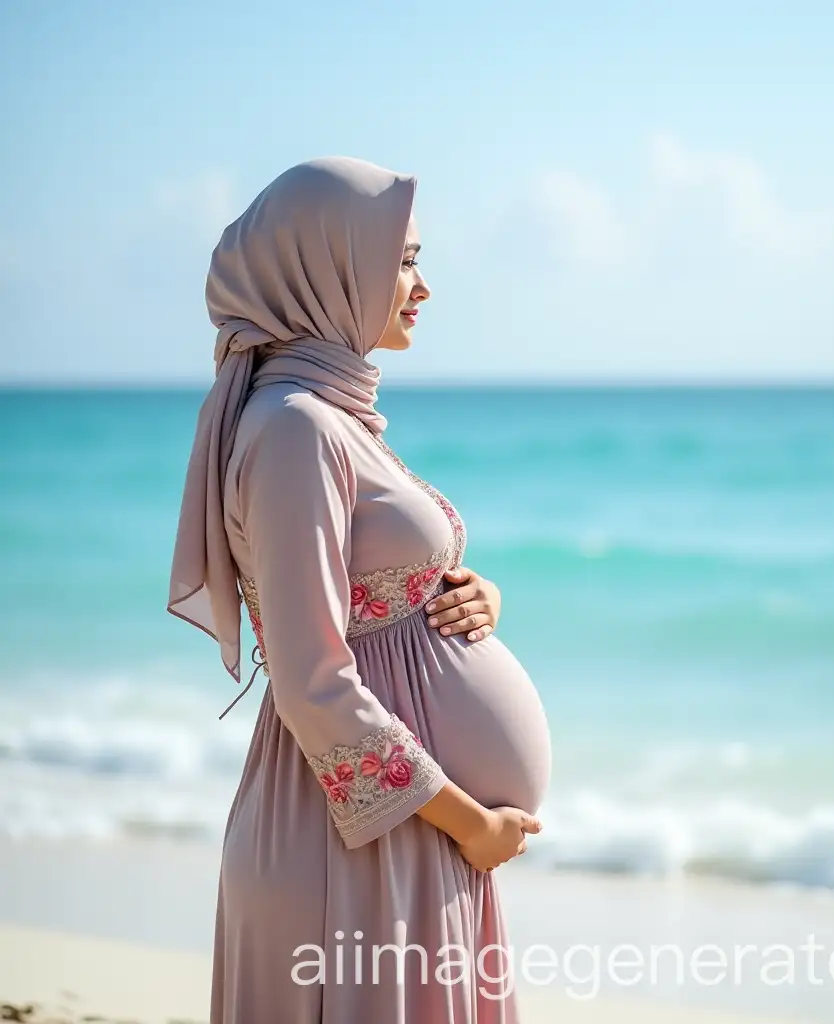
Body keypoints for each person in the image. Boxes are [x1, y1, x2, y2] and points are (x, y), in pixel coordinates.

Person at [167, 156, 552, 1022]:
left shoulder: (330, 416)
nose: (422, 286)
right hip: (355, 841)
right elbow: (312, 680)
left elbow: (371, 594)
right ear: (329, 268)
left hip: (390, 830)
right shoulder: (297, 429)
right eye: (404, 260)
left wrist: (468, 598)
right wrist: (469, 824)